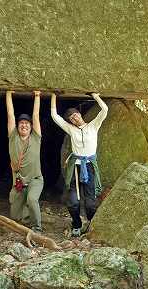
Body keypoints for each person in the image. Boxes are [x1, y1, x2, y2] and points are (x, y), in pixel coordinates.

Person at [50, 92, 109, 237]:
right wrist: (53, 96)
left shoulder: (93, 126)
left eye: (75, 115)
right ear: (70, 122)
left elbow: (105, 110)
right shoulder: (71, 130)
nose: (74, 118)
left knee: (90, 202)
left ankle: (91, 223)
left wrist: (95, 96)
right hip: (75, 167)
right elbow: (54, 116)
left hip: (89, 166)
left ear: (79, 114)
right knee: (73, 202)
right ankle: (76, 224)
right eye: (71, 118)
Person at [6, 90, 43, 232]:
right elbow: (10, 114)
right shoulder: (13, 136)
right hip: (19, 181)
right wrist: (8, 94)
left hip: (35, 179)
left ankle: (37, 227)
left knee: (32, 200)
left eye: (27, 123)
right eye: (21, 123)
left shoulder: (36, 137)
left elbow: (36, 116)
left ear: (31, 126)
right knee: (15, 215)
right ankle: (26, 217)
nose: (24, 125)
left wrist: (37, 96)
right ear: (17, 125)